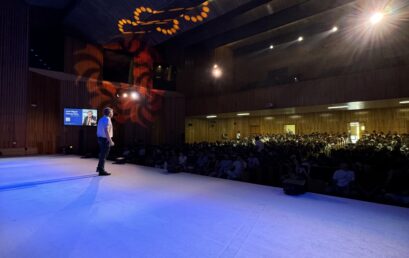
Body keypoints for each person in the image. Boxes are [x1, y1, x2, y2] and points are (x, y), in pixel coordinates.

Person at [96, 107, 114, 176]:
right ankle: (101, 170)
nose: (112, 114)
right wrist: (110, 141)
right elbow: (106, 131)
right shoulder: (107, 119)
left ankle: (99, 168)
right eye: (112, 112)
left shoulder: (101, 119)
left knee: (102, 154)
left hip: (100, 138)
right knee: (104, 155)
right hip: (105, 140)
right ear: (109, 113)